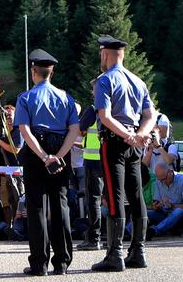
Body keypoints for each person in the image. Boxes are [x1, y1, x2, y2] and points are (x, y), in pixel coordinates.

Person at [90, 35, 155, 273]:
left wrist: (127, 136)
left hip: (115, 143)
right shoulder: (138, 81)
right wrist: (139, 135)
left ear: (105, 54)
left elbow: (104, 116)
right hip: (134, 144)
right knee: (136, 195)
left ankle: (115, 253)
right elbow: (150, 115)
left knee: (115, 195)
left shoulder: (105, 80)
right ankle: (138, 250)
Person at [15, 48, 80, 276]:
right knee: (60, 204)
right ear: (51, 73)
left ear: (34, 72)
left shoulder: (25, 98)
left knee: (36, 207)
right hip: (60, 149)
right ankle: (61, 262)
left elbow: (24, 130)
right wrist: (59, 156)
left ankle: (39, 263)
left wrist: (43, 156)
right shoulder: (66, 97)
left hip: (36, 153)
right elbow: (74, 130)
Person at [78, 82, 104, 252]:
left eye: (93, 89)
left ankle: (94, 238)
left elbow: (80, 129)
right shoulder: (115, 109)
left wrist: (84, 131)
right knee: (113, 199)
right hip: (110, 160)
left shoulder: (93, 110)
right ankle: (112, 237)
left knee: (93, 199)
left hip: (93, 159)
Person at [146, 163, 183, 238]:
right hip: (164, 214)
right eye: (159, 179)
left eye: (164, 179)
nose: (162, 181)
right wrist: (156, 206)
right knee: (147, 213)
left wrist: (172, 206)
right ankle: (127, 231)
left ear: (170, 172)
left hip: (181, 217)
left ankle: (154, 231)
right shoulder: (159, 180)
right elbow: (156, 201)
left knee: (178, 211)